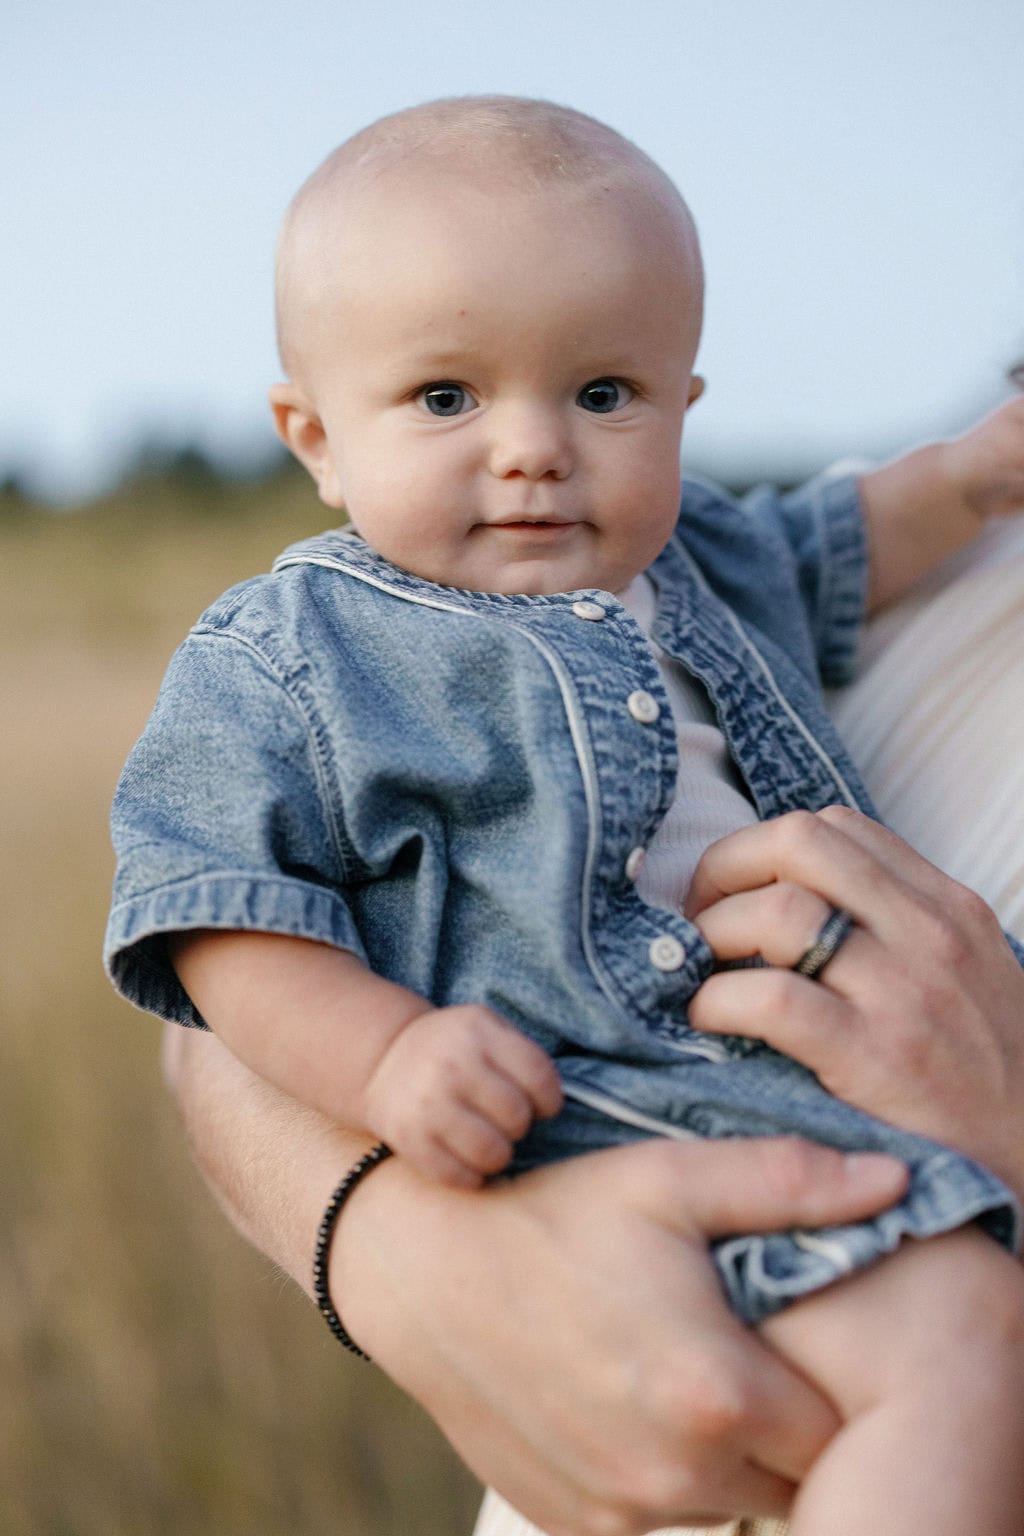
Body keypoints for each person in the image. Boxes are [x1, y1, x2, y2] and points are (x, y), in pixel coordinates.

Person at [104, 97, 1024, 1535]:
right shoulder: (298, 652)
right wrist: (390, 1056)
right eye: (447, 398)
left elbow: (834, 541)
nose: (534, 448)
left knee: (964, 1343)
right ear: (316, 437)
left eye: (604, 394)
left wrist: (967, 478)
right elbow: (220, 923)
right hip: (575, 1109)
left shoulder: (701, 553)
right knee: (958, 1335)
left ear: (682, 406)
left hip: (770, 1105)